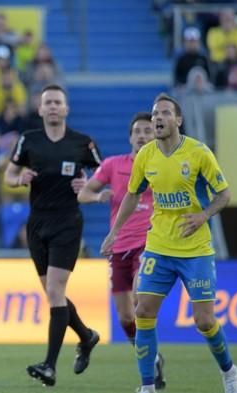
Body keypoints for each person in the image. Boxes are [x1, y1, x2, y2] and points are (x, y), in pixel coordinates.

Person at [100, 94, 237, 393]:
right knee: (143, 312)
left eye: (165, 113)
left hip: (196, 250)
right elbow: (132, 196)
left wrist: (203, 215)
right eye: (155, 114)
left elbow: (224, 194)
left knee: (204, 321)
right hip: (160, 246)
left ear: (178, 120)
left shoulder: (199, 153)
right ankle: (147, 385)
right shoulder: (146, 156)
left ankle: (230, 372)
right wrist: (114, 232)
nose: (158, 118)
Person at [3, 84, 102, 387]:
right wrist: (19, 179)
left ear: (66, 109)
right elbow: (8, 175)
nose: (54, 107)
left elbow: (103, 174)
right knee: (53, 294)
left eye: (59, 102)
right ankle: (86, 336)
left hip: (67, 223)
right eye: (49, 103)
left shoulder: (82, 143)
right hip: (37, 224)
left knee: (56, 292)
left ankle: (49, 365)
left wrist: (88, 186)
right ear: (41, 109)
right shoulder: (28, 140)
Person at [77, 112, 166, 389]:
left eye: (147, 131)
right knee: (126, 317)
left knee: (141, 300)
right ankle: (151, 357)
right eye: (137, 131)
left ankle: (148, 369)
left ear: (155, 136)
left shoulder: (163, 166)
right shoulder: (113, 165)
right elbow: (83, 193)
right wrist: (97, 196)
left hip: (149, 243)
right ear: (130, 137)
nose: (142, 135)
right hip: (119, 247)